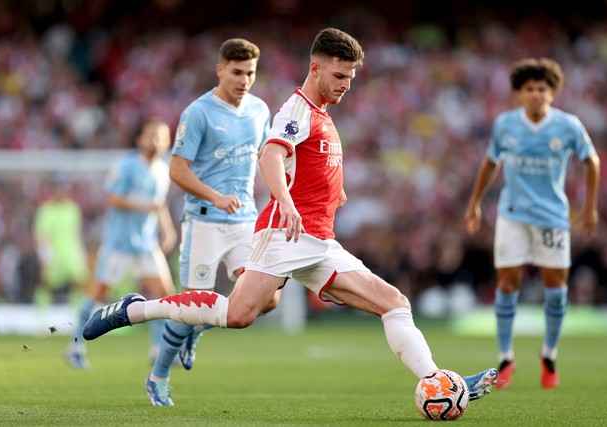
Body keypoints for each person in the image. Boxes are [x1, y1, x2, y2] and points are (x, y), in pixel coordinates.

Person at [83, 28, 497, 405]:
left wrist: (334, 192)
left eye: (350, 79)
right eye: (338, 77)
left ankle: (439, 381)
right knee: (237, 315)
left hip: (319, 242)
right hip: (284, 235)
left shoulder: (322, 116)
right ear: (315, 69)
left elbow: (308, 166)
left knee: (393, 302)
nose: (346, 86)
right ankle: (136, 309)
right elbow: (271, 155)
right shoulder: (296, 109)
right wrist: (286, 201)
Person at [145, 37, 281, 406]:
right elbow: (177, 169)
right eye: (236, 72)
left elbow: (267, 158)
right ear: (220, 70)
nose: (244, 80)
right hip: (204, 222)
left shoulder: (259, 109)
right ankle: (158, 377)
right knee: (188, 305)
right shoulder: (198, 112)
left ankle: (199, 327)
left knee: (268, 300)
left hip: (245, 221)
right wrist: (215, 195)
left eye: (250, 73)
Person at [463, 58, 600, 389]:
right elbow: (490, 163)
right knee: (507, 284)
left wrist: (589, 208)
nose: (536, 95)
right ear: (519, 94)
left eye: (542, 89)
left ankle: (548, 354)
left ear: (552, 94)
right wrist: (474, 204)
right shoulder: (505, 125)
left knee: (556, 291)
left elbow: (591, 161)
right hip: (512, 215)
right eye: (529, 89)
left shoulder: (568, 125)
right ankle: (506, 358)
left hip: (552, 217)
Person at [65, 118, 178, 369]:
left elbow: (160, 204)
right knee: (97, 294)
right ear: (139, 140)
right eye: (152, 135)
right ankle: (74, 346)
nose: (157, 141)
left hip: (147, 244)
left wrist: (167, 229)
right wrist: (148, 207)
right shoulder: (126, 166)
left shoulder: (162, 170)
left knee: (164, 296)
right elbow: (114, 199)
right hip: (119, 243)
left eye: (162, 136)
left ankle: (158, 350)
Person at [33, 181, 89, 305]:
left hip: (70, 254)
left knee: (77, 283)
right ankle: (42, 317)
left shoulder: (73, 209)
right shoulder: (46, 211)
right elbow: (41, 236)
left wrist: (80, 253)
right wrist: (44, 256)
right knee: (46, 284)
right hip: (53, 255)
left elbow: (76, 234)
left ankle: (77, 315)